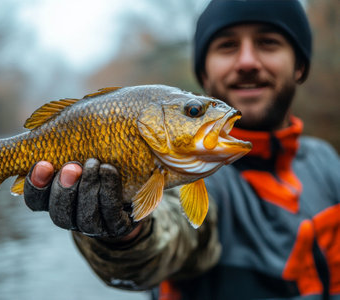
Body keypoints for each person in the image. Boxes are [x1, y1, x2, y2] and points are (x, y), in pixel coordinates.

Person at [23, 0, 340, 299]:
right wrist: (123, 234)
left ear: (299, 65)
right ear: (203, 73)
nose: (247, 61)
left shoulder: (327, 162)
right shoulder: (199, 174)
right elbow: (169, 234)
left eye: (268, 42)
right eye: (227, 46)